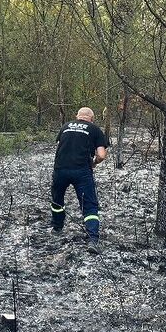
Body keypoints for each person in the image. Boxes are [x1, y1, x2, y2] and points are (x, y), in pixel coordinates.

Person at [51, 107, 108, 254]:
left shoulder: (65, 126)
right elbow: (101, 155)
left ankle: (57, 228)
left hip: (60, 169)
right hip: (81, 171)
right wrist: (94, 162)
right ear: (92, 118)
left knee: (57, 201)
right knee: (89, 206)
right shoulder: (95, 129)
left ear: (77, 116)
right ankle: (92, 240)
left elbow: (59, 147)